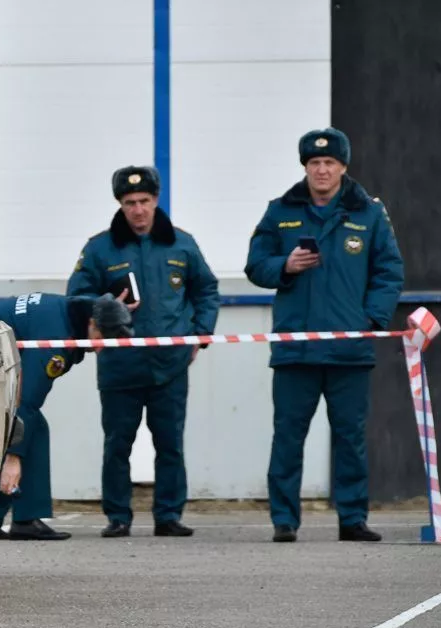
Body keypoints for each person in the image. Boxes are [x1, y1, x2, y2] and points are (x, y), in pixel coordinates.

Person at [244, 127, 404, 543]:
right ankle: (284, 520)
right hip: (296, 350)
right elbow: (255, 265)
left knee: (350, 439)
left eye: (329, 162)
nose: (321, 170)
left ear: (343, 166)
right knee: (288, 437)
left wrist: (371, 321)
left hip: (349, 351)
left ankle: (352, 519)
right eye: (314, 163)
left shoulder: (368, 214)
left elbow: (389, 272)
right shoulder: (280, 211)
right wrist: (285, 266)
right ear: (305, 167)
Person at [68, 166, 220, 538]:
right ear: (120, 204)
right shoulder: (99, 248)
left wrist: (200, 336)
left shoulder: (182, 244)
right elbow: (77, 296)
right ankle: (118, 517)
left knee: (170, 444)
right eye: (129, 202)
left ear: (156, 200)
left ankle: (168, 515)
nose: (138, 209)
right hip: (120, 365)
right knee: (117, 444)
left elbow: (206, 290)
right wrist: (107, 305)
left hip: (170, 364)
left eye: (144, 201)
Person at [0, 293, 134, 540]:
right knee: (25, 428)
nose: (101, 347)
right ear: (91, 323)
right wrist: (13, 458)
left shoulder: (76, 310)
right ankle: (5, 520)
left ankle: (7, 519)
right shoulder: (55, 340)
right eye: (102, 337)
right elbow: (27, 400)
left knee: (33, 428)